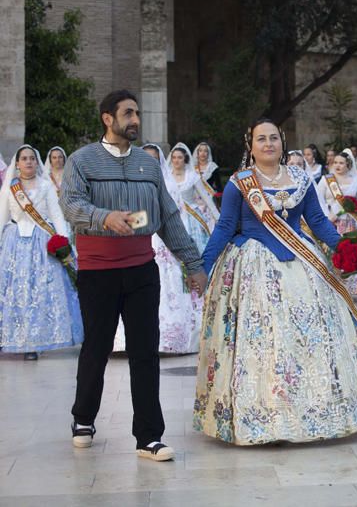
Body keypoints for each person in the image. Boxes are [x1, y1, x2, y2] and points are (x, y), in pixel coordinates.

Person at [194, 118, 357, 445]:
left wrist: (346, 249)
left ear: (282, 142)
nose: (268, 144)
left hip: (303, 265)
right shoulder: (240, 183)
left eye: (274, 138)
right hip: (254, 267)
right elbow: (225, 228)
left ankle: (319, 411)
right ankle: (264, 416)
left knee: (311, 337)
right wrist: (203, 266)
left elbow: (319, 222)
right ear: (250, 145)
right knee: (265, 340)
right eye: (261, 139)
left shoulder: (301, 178)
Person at [62, 89, 207, 462]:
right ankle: (83, 417)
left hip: (142, 269)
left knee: (145, 352)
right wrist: (102, 217)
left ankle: (149, 437)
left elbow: (168, 217)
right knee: (97, 347)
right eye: (128, 113)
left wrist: (193, 264)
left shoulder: (147, 164)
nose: (136, 120)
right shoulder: (82, 161)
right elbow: (72, 205)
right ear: (107, 118)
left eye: (137, 113)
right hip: (98, 273)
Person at [112, 144, 204, 354]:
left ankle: (168, 339)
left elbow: (177, 219)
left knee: (166, 287)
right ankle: (126, 341)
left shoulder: (169, 186)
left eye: (154, 159)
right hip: (135, 240)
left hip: (163, 243)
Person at [0, 145, 83, 361]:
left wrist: (63, 242)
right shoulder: (10, 188)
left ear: (37, 163)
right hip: (14, 243)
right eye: (24, 159)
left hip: (41, 243)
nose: (28, 162)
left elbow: (56, 216)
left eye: (32, 158)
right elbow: (2, 216)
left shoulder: (46, 186)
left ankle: (34, 342)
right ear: (16, 164)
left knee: (39, 292)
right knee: (14, 291)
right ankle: (9, 338)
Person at [317, 150, 357, 295]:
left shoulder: (356, 181)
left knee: (353, 257)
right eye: (335, 162)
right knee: (334, 256)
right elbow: (319, 201)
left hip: (352, 225)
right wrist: (327, 216)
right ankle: (335, 290)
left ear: (348, 165)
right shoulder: (326, 180)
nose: (337, 165)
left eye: (341, 163)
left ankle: (354, 292)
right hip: (333, 224)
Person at [170, 143, 220, 253]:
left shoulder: (192, 177)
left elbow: (206, 198)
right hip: (172, 218)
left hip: (192, 218)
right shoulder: (166, 177)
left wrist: (218, 217)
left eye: (179, 157)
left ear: (185, 159)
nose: (176, 160)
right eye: (174, 157)